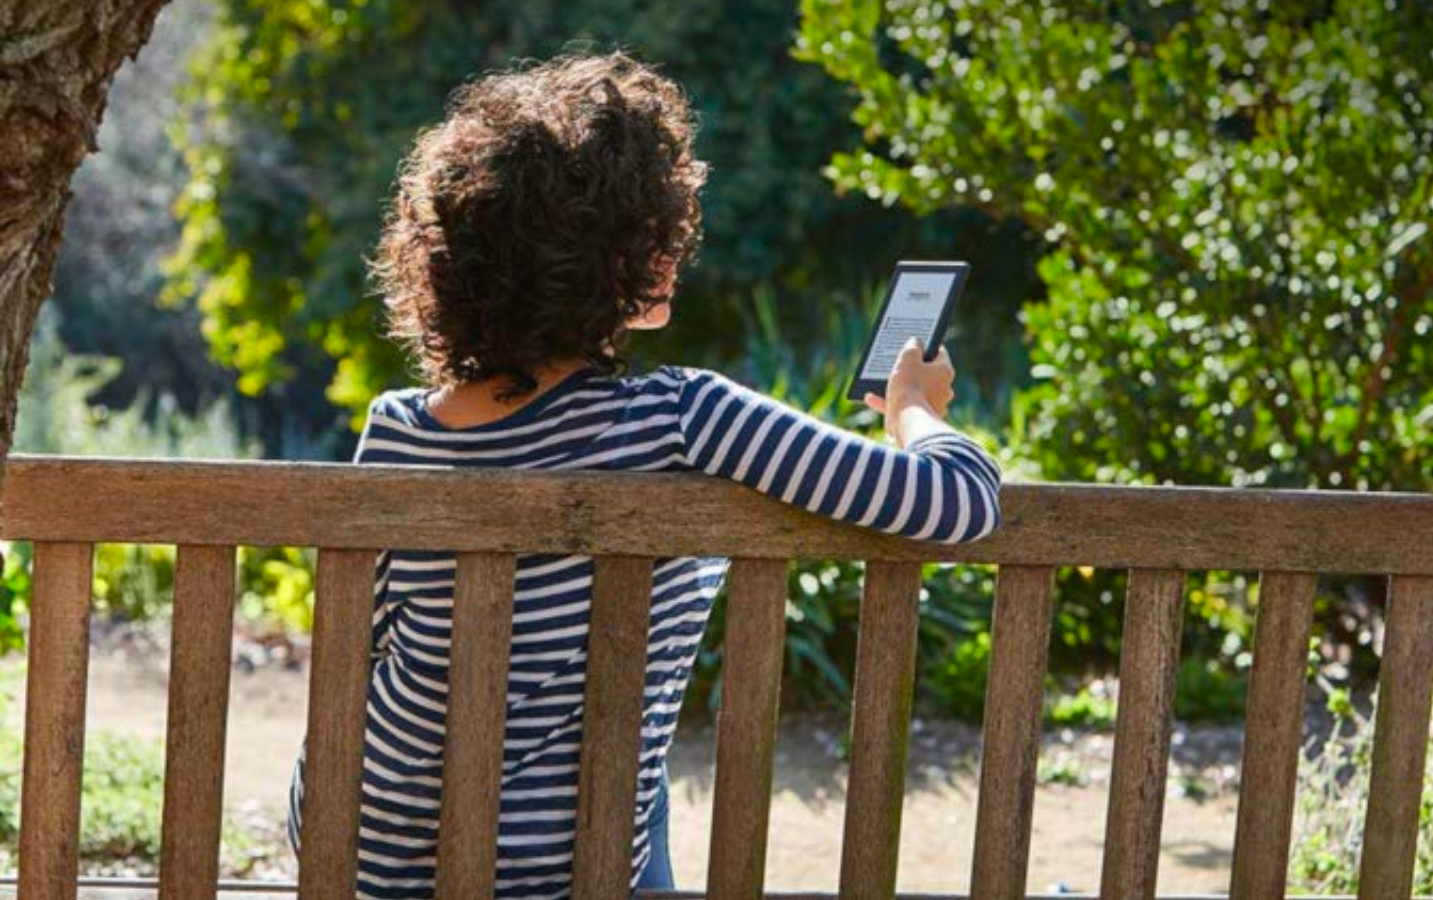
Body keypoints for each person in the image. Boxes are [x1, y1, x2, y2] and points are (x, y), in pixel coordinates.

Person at [286, 51, 1002, 900]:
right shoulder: (681, 417)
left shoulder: (397, 429)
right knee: (627, 783)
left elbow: (371, 643)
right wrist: (913, 407)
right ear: (623, 263)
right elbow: (959, 501)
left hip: (367, 853)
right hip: (555, 873)